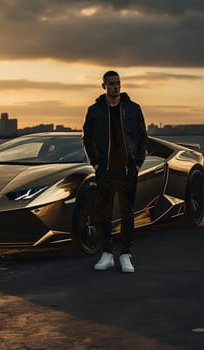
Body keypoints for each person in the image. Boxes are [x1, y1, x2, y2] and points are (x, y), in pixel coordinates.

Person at [82, 70, 147, 273]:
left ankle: (126, 254)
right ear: (104, 86)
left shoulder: (133, 108)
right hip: (105, 171)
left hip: (128, 170)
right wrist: (95, 163)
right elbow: (87, 138)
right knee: (104, 214)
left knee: (127, 215)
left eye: (118, 83)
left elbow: (142, 136)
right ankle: (107, 254)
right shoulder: (95, 110)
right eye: (111, 83)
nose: (116, 87)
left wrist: (137, 163)